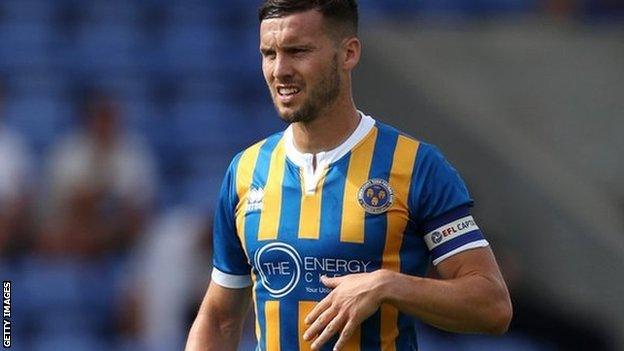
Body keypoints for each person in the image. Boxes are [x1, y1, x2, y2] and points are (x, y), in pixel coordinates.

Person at [186, 1, 512, 350]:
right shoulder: (246, 171)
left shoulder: (416, 165)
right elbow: (220, 318)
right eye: (269, 53)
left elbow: (492, 306)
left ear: (349, 53)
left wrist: (388, 285)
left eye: (297, 51)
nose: (279, 69)